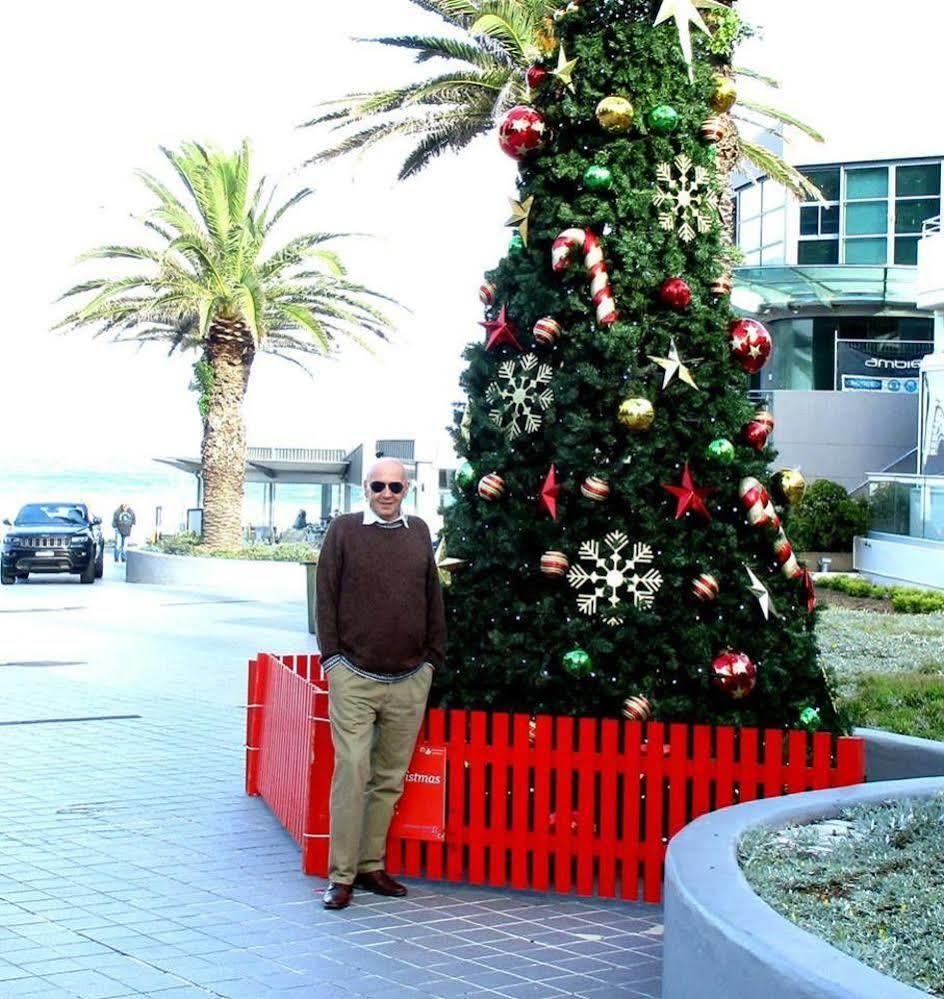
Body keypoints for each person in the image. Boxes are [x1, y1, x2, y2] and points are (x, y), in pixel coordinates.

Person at [315, 458, 446, 911]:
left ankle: (371, 865)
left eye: (395, 486)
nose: (386, 493)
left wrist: (432, 659)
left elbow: (433, 596)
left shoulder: (419, 532)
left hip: (411, 678)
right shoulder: (344, 530)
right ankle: (341, 875)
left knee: (388, 779)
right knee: (352, 771)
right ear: (365, 488)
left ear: (406, 489)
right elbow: (325, 595)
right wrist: (331, 659)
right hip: (353, 675)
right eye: (378, 486)